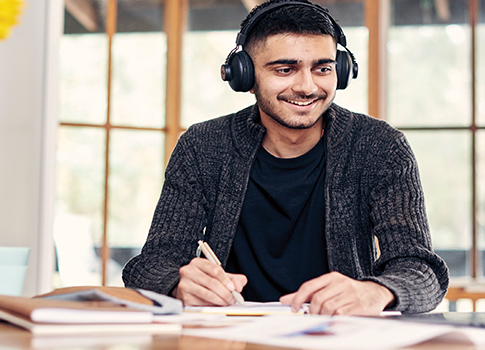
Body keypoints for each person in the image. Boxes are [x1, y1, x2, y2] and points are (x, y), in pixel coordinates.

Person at [122, 0, 448, 315]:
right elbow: (148, 267)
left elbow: (422, 272)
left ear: (343, 71)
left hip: (340, 337)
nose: (307, 87)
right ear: (245, 76)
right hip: (232, 337)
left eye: (322, 68)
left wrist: (378, 291)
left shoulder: (381, 146)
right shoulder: (203, 146)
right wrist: (177, 284)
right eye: (285, 69)